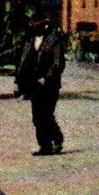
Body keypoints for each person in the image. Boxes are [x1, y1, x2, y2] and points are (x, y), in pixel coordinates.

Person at [13, 13, 67, 156]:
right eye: (33, 26)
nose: (36, 28)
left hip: (50, 84)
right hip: (34, 83)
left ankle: (57, 138)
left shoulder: (54, 40)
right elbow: (23, 63)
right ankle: (45, 146)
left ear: (45, 25)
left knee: (46, 114)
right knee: (37, 116)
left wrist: (46, 77)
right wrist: (18, 82)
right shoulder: (30, 41)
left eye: (39, 26)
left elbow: (58, 63)